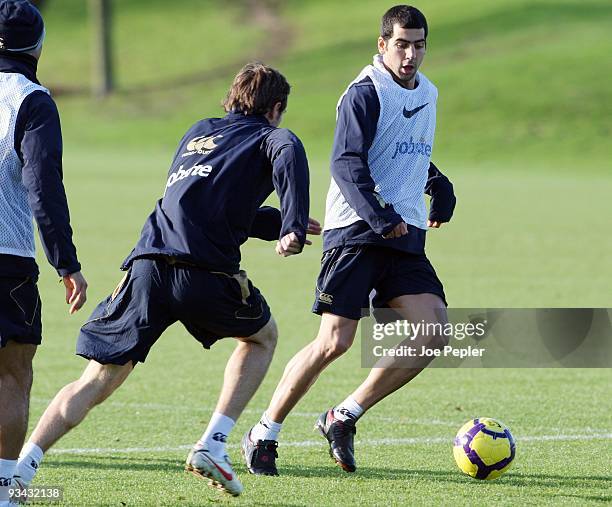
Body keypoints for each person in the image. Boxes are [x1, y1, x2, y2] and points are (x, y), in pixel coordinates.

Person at [16, 62, 318, 497]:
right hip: (204, 273)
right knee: (262, 337)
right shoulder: (272, 136)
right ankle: (214, 443)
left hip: (146, 266)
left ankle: (21, 470)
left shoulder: (199, 134)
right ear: (276, 108)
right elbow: (287, 149)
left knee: (95, 380)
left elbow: (203, 204)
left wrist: (275, 223)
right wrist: (289, 223)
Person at [242, 5, 456, 475]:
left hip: (402, 235)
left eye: (418, 45)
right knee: (334, 342)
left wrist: (437, 182)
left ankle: (343, 416)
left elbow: (405, 150)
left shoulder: (429, 92)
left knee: (434, 330)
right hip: (357, 232)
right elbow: (347, 162)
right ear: (382, 45)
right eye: (401, 44)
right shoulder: (364, 91)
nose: (410, 54)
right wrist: (380, 216)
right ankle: (264, 432)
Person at [0, 1, 87, 504]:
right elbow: (43, 187)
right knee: (12, 371)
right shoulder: (32, 100)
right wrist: (66, 263)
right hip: (8, 255)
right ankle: (7, 485)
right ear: (38, 46)